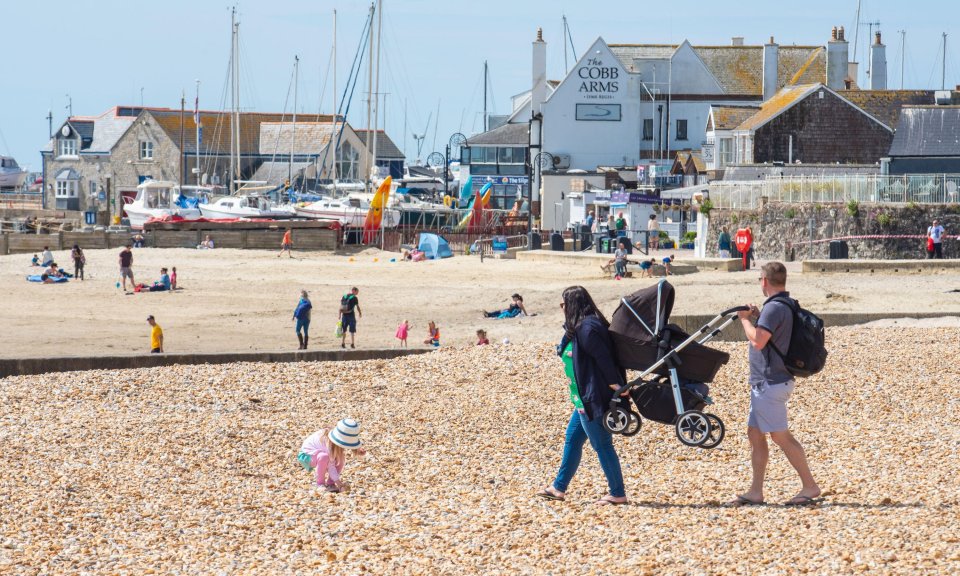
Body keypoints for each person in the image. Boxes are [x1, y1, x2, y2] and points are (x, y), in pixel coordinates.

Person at [728, 262, 821, 507]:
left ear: (765, 281)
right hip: (772, 380)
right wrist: (758, 317)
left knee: (781, 437)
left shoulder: (773, 309)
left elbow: (758, 341)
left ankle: (810, 486)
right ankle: (756, 491)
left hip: (770, 382)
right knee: (755, 434)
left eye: (760, 278)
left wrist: (745, 320)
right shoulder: (785, 305)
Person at [538, 286, 628, 505]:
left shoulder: (588, 328)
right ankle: (558, 488)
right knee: (572, 439)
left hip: (593, 397)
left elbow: (603, 359)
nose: (562, 309)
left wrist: (617, 385)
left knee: (602, 445)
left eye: (563, 304)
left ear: (572, 305)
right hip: (581, 397)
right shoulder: (580, 327)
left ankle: (617, 493)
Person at [298, 419, 366, 492]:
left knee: (341, 460)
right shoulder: (328, 445)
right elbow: (331, 466)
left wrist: (357, 449)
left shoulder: (336, 440)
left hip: (318, 454)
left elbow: (349, 440)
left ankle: (331, 483)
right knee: (324, 457)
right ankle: (320, 483)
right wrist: (339, 483)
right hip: (306, 456)